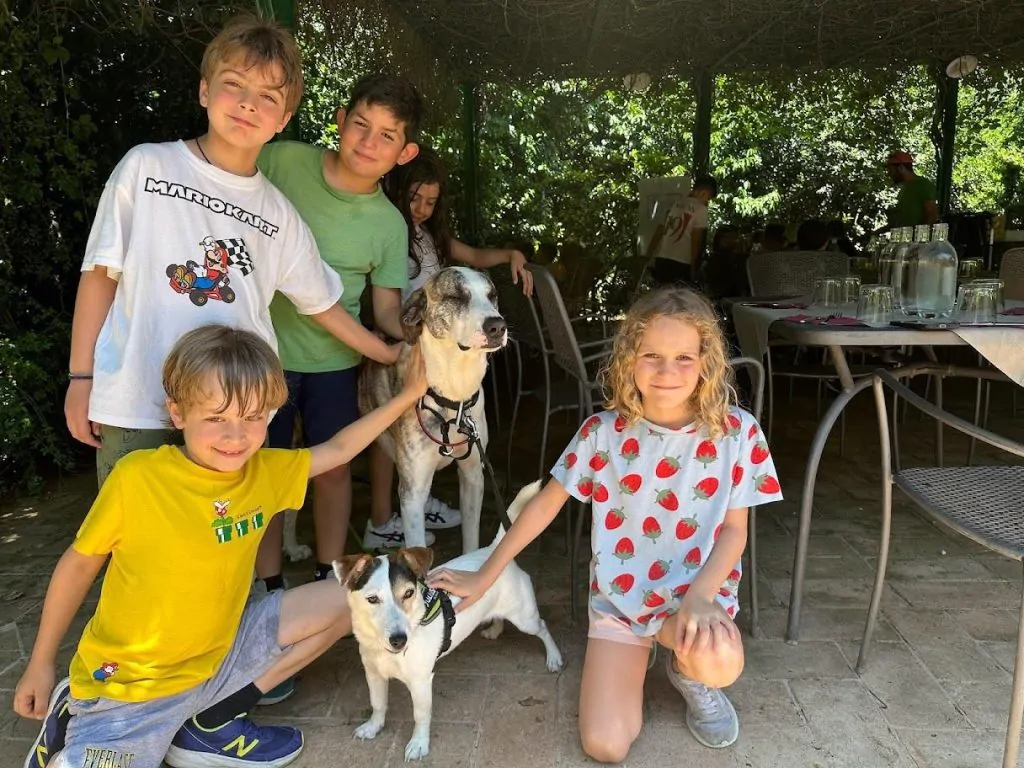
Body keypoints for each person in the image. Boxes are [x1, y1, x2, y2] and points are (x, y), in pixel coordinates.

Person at [15, 324, 427, 768]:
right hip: (130, 691)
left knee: (355, 599)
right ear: (178, 413)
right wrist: (40, 662)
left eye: (253, 417)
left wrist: (411, 393)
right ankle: (72, 713)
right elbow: (77, 566)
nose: (236, 436)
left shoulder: (265, 471)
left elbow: (340, 448)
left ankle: (207, 723)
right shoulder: (137, 478)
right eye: (216, 418)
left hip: (219, 658)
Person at [429, 287, 784, 762]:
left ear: (706, 362)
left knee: (719, 662)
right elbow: (543, 507)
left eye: (684, 357)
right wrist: (486, 575)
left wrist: (700, 597)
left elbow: (735, 531)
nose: (667, 371)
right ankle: (645, 645)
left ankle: (687, 671)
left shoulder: (737, 432)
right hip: (623, 600)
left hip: (697, 595)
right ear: (629, 358)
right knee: (605, 744)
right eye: (652, 355)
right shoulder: (602, 433)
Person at [63, 15, 399, 487]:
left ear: (283, 120)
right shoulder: (146, 167)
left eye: (268, 97)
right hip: (138, 406)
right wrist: (81, 378)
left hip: (235, 419)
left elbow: (322, 305)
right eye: (234, 84)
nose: (247, 104)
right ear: (205, 90)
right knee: (136, 531)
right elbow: (100, 275)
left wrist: (389, 355)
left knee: (228, 533)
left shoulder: (279, 214)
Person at [252, 74, 423, 605]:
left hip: (333, 361)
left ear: (404, 153)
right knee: (264, 475)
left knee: (332, 470)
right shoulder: (282, 161)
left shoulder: (389, 224)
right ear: (340, 121)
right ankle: (267, 585)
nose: (369, 143)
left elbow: (386, 308)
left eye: (387, 136)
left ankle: (330, 581)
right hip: (261, 355)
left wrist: (416, 341)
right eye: (360, 125)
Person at [361, 146, 535, 550]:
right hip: (406, 340)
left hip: (448, 352)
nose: (422, 209)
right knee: (389, 437)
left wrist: (510, 254)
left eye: (431, 201)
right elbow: (382, 301)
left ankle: (411, 509)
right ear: (397, 193)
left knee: (448, 456)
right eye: (415, 199)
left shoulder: (430, 238)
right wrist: (397, 338)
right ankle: (384, 517)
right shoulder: (385, 233)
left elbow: (473, 257)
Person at [647, 176, 718, 287]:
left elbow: (660, 229)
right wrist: (693, 267)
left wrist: (649, 254)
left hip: (662, 257)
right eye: (708, 198)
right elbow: (696, 240)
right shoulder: (701, 209)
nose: (707, 202)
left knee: (661, 292)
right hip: (681, 260)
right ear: (704, 192)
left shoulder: (675, 203)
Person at [885, 150, 939, 229]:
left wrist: (919, 235)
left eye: (890, 170)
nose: (888, 174)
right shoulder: (904, 190)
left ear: (901, 168)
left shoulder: (923, 185)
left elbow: (932, 216)